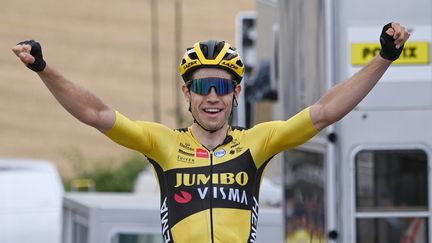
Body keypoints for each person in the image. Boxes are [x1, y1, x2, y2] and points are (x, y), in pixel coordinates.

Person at [12, 22, 410, 243]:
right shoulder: (162, 143)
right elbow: (97, 114)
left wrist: (385, 58)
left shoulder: (258, 143)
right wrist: (44, 69)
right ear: (187, 92)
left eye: (223, 86)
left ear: (238, 92)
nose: (213, 97)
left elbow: (325, 113)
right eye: (202, 87)